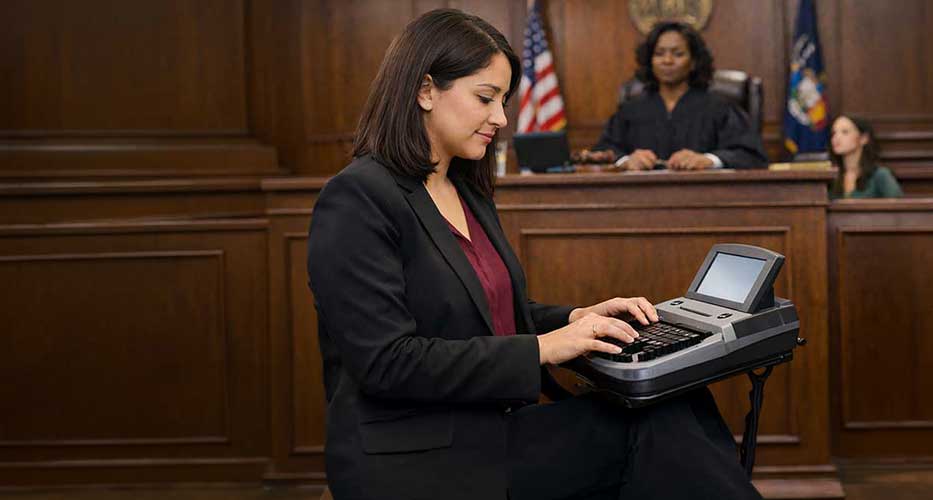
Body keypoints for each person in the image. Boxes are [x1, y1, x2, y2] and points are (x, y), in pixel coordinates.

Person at [306, 9, 762, 500]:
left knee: (677, 395)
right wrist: (547, 347)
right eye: (486, 98)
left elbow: (488, 313)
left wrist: (576, 319)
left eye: (503, 100)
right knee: (651, 429)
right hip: (415, 453)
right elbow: (387, 363)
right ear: (425, 90)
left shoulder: (465, 187)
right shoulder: (357, 198)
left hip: (487, 425)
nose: (502, 118)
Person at [581, 21, 768, 170]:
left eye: (678, 54)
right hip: (640, 203)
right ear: (650, 61)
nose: (667, 60)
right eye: (659, 53)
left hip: (704, 202)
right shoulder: (631, 110)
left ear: (693, 61)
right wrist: (627, 161)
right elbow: (603, 153)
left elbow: (752, 156)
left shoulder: (719, 108)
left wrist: (709, 160)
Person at [828, 115, 903, 198]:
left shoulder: (880, 175)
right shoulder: (830, 176)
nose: (836, 138)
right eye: (834, 133)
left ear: (863, 139)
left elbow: (898, 205)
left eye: (845, 132)